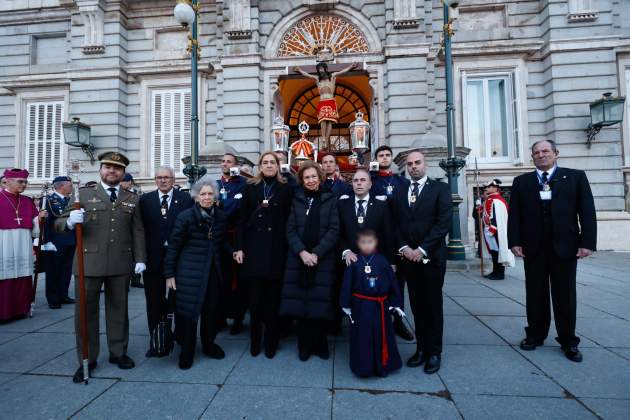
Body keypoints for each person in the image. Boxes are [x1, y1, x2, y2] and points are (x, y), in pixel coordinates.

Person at [57, 152, 147, 382]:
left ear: (123, 172)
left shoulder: (131, 198)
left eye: (117, 168)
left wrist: (140, 258)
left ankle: (118, 352)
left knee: (119, 310)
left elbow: (137, 230)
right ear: (101, 170)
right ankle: (88, 357)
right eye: (108, 167)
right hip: (89, 264)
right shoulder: (83, 194)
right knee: (85, 314)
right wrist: (69, 221)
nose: (112, 171)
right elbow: (58, 223)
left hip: (120, 262)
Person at [508, 140, 596, 363]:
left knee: (565, 295)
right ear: (532, 157)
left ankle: (568, 341)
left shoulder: (575, 177)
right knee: (535, 293)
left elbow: (587, 212)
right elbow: (515, 215)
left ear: (556, 154)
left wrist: (587, 243)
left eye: (546, 151)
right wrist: (514, 241)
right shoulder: (521, 182)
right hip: (533, 248)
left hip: (565, 247)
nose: (541, 155)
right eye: (536, 152)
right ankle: (535, 335)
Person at [392, 150, 451, 374]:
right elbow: (395, 224)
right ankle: (421, 349)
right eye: (410, 164)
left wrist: (422, 249)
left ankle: (434, 352)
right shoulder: (400, 190)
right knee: (417, 306)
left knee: (433, 306)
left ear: (425, 164)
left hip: (432, 258)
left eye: (417, 163)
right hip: (408, 259)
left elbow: (443, 222)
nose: (413, 166)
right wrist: (405, 248)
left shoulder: (440, 189)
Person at [163, 176, 228, 369]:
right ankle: (187, 350)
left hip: (212, 272)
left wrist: (234, 252)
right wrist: (169, 275)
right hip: (188, 272)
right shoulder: (186, 217)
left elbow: (221, 241)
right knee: (188, 313)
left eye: (210, 194)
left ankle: (209, 345)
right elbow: (173, 246)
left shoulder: (221, 217)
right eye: (203, 194)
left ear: (215, 196)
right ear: (196, 196)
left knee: (211, 311)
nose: (207, 197)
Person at [233, 152, 292, 358]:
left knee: (273, 301)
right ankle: (255, 341)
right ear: (260, 166)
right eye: (265, 162)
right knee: (255, 301)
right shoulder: (250, 187)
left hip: (277, 250)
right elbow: (240, 220)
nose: (268, 165)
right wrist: (239, 248)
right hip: (253, 250)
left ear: (278, 166)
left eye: (272, 162)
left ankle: (271, 342)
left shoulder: (286, 187)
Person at [280, 161, 339, 361]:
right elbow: (290, 229)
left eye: (314, 176)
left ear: (320, 177)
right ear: (302, 180)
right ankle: (304, 345)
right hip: (298, 258)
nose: (311, 180)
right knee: (300, 303)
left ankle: (320, 344)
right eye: (307, 177)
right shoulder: (296, 199)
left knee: (319, 302)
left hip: (322, 259)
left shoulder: (330, 198)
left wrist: (316, 253)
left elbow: (334, 229)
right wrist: (302, 253)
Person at [138, 166, 193, 357]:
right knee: (154, 302)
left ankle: (180, 336)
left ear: (173, 179)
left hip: (178, 260)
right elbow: (140, 230)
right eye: (159, 177)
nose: (163, 180)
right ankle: (157, 341)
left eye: (166, 177)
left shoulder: (186, 199)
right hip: (152, 261)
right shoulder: (145, 200)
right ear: (155, 180)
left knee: (180, 301)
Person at [340, 229, 403, 377]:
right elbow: (347, 284)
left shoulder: (382, 261)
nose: (367, 245)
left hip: (380, 306)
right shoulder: (354, 262)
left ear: (376, 242)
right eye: (363, 242)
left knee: (381, 336)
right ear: (358, 243)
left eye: (370, 242)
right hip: (361, 307)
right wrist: (346, 304)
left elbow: (393, 282)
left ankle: (382, 366)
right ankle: (363, 368)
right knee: (363, 337)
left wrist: (395, 303)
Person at [369, 145, 414, 341]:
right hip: (378, 238)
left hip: (398, 238)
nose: (385, 158)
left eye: (388, 155)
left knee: (398, 282)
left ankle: (398, 320)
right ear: (376, 158)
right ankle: (379, 320)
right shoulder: (370, 181)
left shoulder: (401, 181)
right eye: (381, 155)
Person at [0, 169, 45, 322]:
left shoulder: (26, 201)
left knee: (23, 275)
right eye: (20, 181)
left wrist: (39, 218)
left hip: (23, 242)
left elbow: (35, 228)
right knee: (5, 276)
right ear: (8, 181)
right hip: (3, 242)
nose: (24, 184)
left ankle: (20, 310)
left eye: (25, 182)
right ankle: (4, 313)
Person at [215, 152, 248, 334]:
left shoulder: (242, 184)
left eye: (229, 161)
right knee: (221, 279)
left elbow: (236, 209)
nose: (225, 164)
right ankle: (220, 317)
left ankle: (237, 318)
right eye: (223, 161)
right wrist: (227, 206)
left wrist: (223, 206)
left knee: (238, 280)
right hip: (219, 238)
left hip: (237, 238)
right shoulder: (215, 184)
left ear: (235, 165)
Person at [293, 62, 357, 145]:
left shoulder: (332, 77)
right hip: (322, 101)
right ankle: (323, 137)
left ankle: (326, 140)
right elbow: (307, 75)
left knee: (330, 121)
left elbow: (342, 71)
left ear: (325, 69)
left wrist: (350, 66)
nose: (320, 71)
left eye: (321, 68)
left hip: (330, 100)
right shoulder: (317, 79)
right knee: (322, 120)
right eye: (319, 69)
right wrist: (300, 70)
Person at [41, 176, 76, 309]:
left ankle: (63, 294)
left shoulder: (71, 200)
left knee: (66, 270)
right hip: (56, 242)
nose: (72, 186)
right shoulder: (49, 201)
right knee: (53, 270)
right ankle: (53, 298)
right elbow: (46, 223)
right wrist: (47, 241)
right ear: (62, 186)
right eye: (70, 184)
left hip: (70, 240)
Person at [480, 179, 515, 280]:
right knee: (494, 252)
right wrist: (479, 207)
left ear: (495, 188)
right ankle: (495, 272)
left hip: (495, 231)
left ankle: (500, 273)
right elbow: (485, 214)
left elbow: (495, 216)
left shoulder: (496, 200)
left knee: (498, 252)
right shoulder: (490, 199)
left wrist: (492, 229)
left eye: (489, 186)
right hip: (490, 230)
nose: (486, 188)